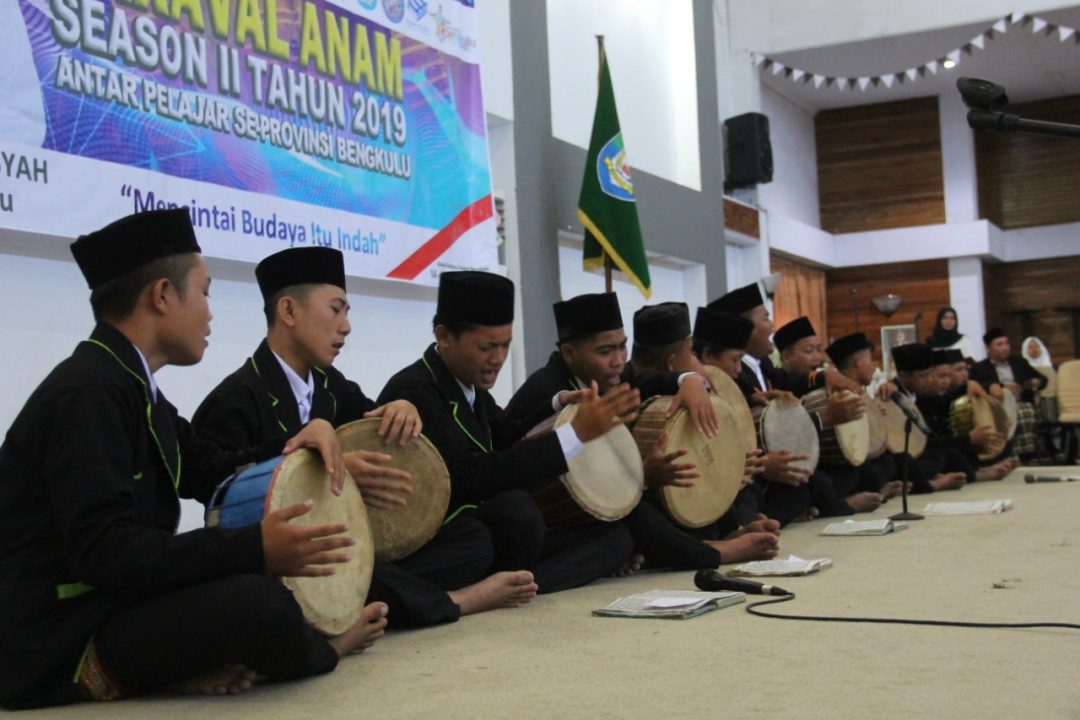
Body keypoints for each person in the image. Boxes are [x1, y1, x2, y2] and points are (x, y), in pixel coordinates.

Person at [0, 210, 387, 709]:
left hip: (111, 606)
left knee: (254, 587)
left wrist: (303, 440)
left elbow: (208, 465)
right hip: (59, 634)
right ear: (161, 296)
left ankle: (164, 669)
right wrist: (253, 547)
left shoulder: (130, 383)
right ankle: (326, 649)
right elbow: (104, 552)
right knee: (261, 603)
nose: (210, 313)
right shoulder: (89, 392)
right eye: (204, 293)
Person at [193, 247, 537, 627]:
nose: (346, 326)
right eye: (335, 309)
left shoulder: (331, 385)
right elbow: (216, 497)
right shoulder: (235, 399)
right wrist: (321, 469)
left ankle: (399, 601)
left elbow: (374, 423)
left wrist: (402, 407)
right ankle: (455, 601)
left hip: (342, 542)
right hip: (280, 559)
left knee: (472, 540)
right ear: (288, 312)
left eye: (347, 312)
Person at [377, 272, 637, 594]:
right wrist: (576, 434)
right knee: (515, 512)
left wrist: (558, 404)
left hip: (493, 534)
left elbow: (510, 436)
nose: (498, 359)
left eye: (505, 345)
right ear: (444, 336)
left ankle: (522, 584)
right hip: (448, 535)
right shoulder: (415, 390)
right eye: (487, 346)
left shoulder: (472, 387)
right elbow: (474, 476)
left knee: (615, 538)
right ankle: (500, 585)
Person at [504, 295, 777, 570]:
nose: (619, 360)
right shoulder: (545, 391)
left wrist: (689, 379)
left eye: (623, 346)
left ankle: (719, 534)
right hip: (550, 515)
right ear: (569, 353)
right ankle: (715, 554)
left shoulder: (614, 376)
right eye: (605, 351)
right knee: (632, 523)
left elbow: (648, 379)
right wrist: (644, 475)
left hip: (608, 501)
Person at [707, 284, 863, 525]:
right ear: (745, 327)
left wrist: (824, 376)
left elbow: (793, 381)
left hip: (769, 469)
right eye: (766, 317)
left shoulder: (764, 365)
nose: (772, 325)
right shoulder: (731, 376)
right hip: (748, 470)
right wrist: (824, 418)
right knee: (810, 483)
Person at [774, 318, 882, 514]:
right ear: (786, 356)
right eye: (809, 351)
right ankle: (842, 504)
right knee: (817, 484)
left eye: (819, 349)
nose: (817, 357)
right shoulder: (780, 383)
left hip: (823, 460)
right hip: (790, 465)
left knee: (865, 473)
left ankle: (827, 503)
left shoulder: (822, 383)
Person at [890, 343, 968, 492]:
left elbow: (943, 402)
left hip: (921, 451)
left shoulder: (918, 395)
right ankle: (933, 484)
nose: (929, 380)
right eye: (923, 376)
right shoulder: (893, 395)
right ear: (904, 376)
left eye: (929, 374)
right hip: (902, 452)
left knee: (948, 454)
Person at [969, 328, 1047, 461]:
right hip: (995, 405)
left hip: (1020, 401)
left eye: (1006, 344)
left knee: (1025, 410)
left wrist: (1035, 382)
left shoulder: (1019, 363)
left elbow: (1042, 379)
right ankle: (1008, 453)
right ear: (988, 348)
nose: (1004, 348)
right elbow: (976, 385)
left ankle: (1026, 455)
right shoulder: (979, 368)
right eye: (999, 345)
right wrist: (1002, 387)